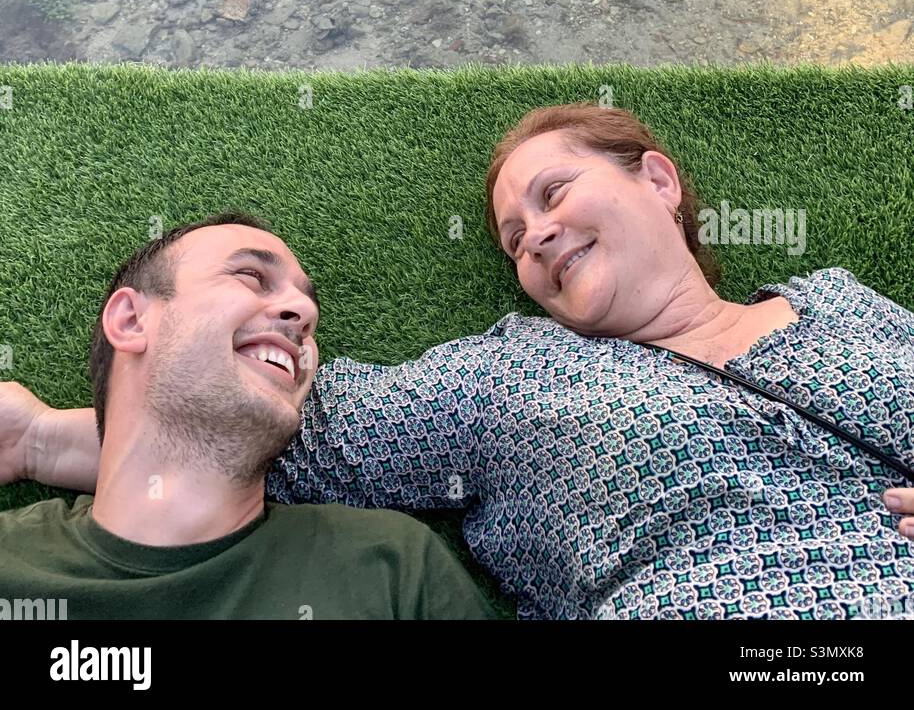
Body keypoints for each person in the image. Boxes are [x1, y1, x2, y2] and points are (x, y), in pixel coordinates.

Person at [5, 105, 914, 619]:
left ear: (659, 181)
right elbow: (262, 418)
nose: (538, 236)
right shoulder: (510, 377)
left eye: (555, 193)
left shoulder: (842, 302)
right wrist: (42, 437)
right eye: (516, 238)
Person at [0, 215, 495, 620]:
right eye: (252, 277)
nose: (302, 312)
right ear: (131, 321)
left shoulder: (392, 566)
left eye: (308, 304)